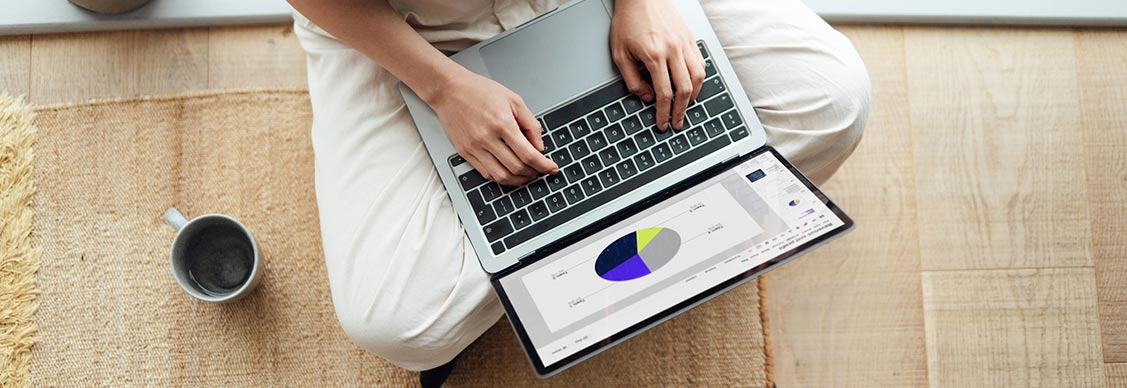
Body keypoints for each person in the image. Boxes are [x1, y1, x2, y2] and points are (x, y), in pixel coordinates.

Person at [288, 0, 870, 385]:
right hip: (408, 25)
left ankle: (587, 221)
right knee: (399, 323)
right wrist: (440, 88)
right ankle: (635, 199)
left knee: (832, 102)